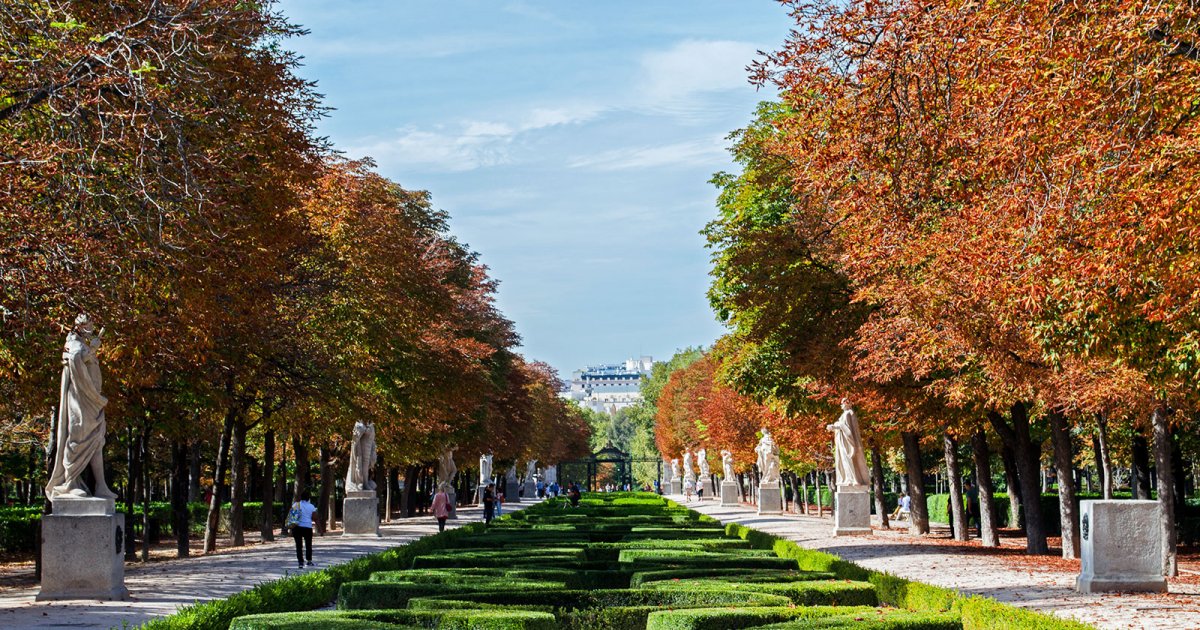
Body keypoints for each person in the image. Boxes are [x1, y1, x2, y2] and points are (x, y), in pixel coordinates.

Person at [290, 490, 317, 569]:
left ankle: (300, 562)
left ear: (301, 498)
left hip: (297, 527)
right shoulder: (311, 506)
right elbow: (315, 518)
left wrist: (291, 528)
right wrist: (320, 529)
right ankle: (309, 561)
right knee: (308, 545)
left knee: (299, 545)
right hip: (307, 527)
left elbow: (292, 516)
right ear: (308, 498)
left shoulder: (296, 505)